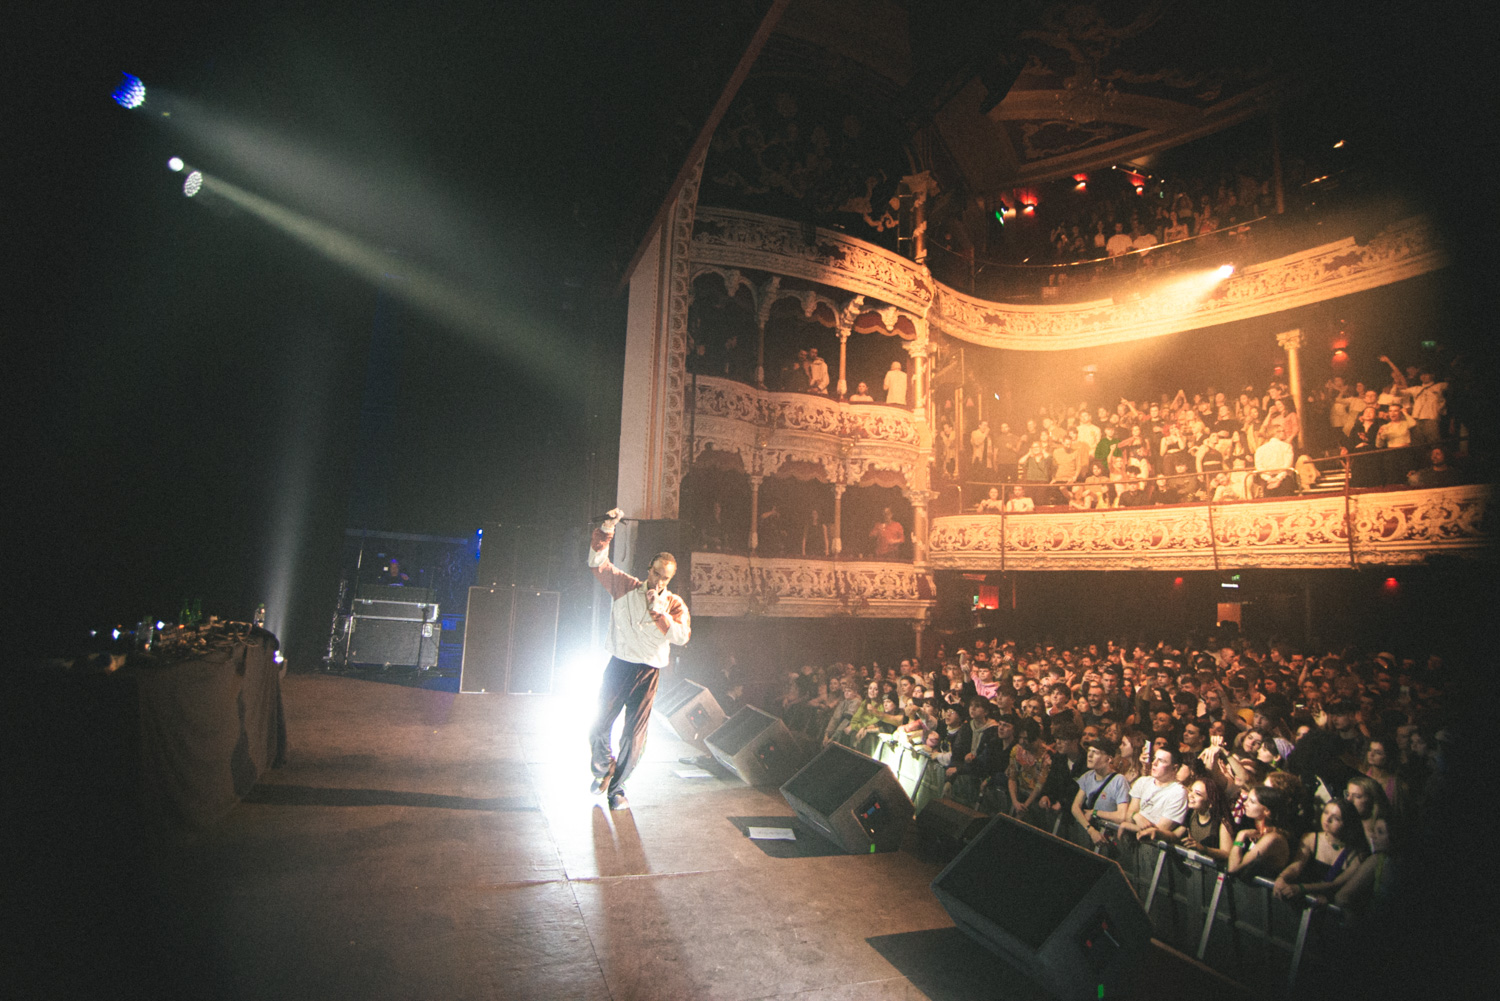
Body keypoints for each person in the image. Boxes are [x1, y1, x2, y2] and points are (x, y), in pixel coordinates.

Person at [586, 509, 691, 810]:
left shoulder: (673, 603)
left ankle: (617, 789)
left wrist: (659, 612)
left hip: (648, 673)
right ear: (649, 569)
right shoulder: (625, 587)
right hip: (618, 665)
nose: (659, 580)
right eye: (656, 573)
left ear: (670, 579)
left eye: (665, 577)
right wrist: (607, 528)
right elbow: (596, 563)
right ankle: (604, 768)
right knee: (597, 725)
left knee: (634, 737)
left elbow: (682, 636)